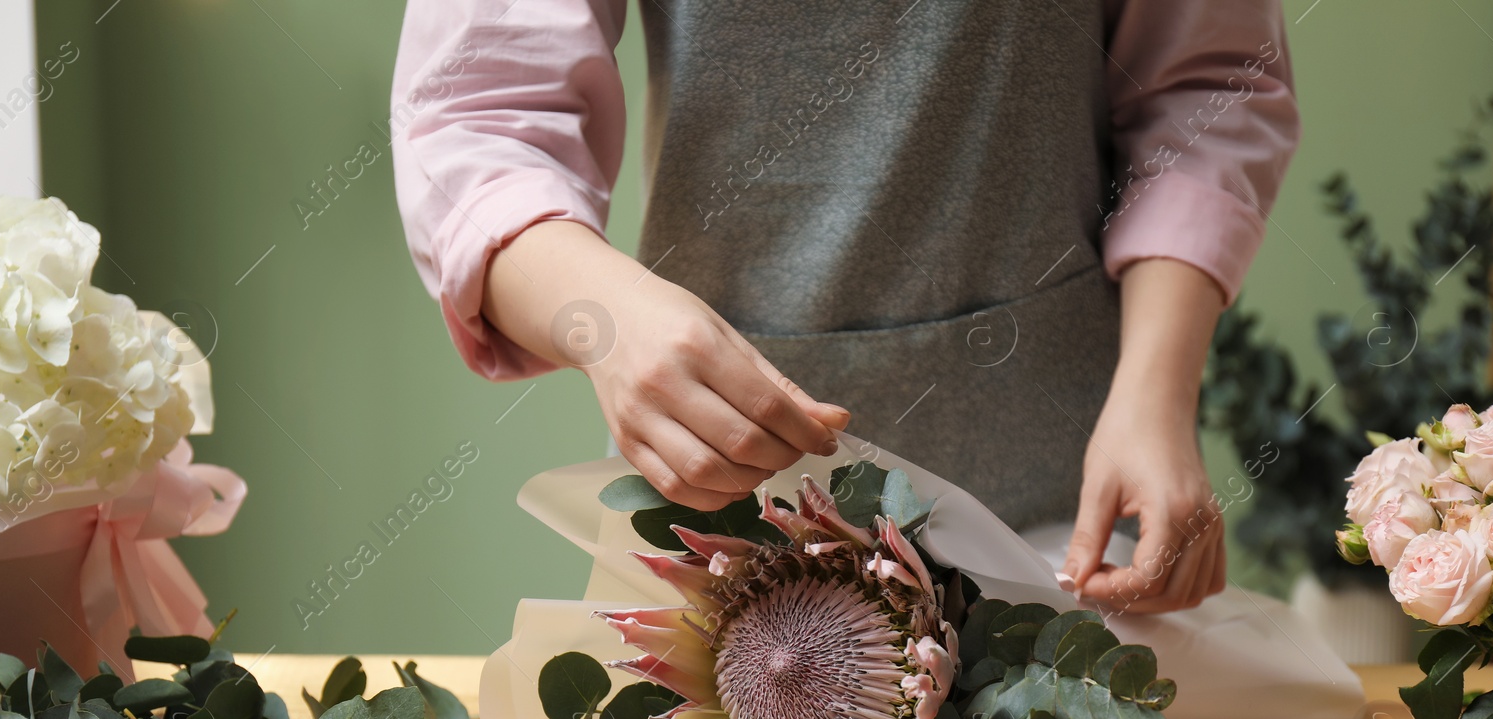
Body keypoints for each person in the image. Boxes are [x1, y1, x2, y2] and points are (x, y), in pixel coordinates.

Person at [391, 0, 1299, 615]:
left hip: (1070, 533)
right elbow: (473, 113)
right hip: (722, 564)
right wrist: (608, 318)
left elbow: (1207, 87)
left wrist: (1159, 390)